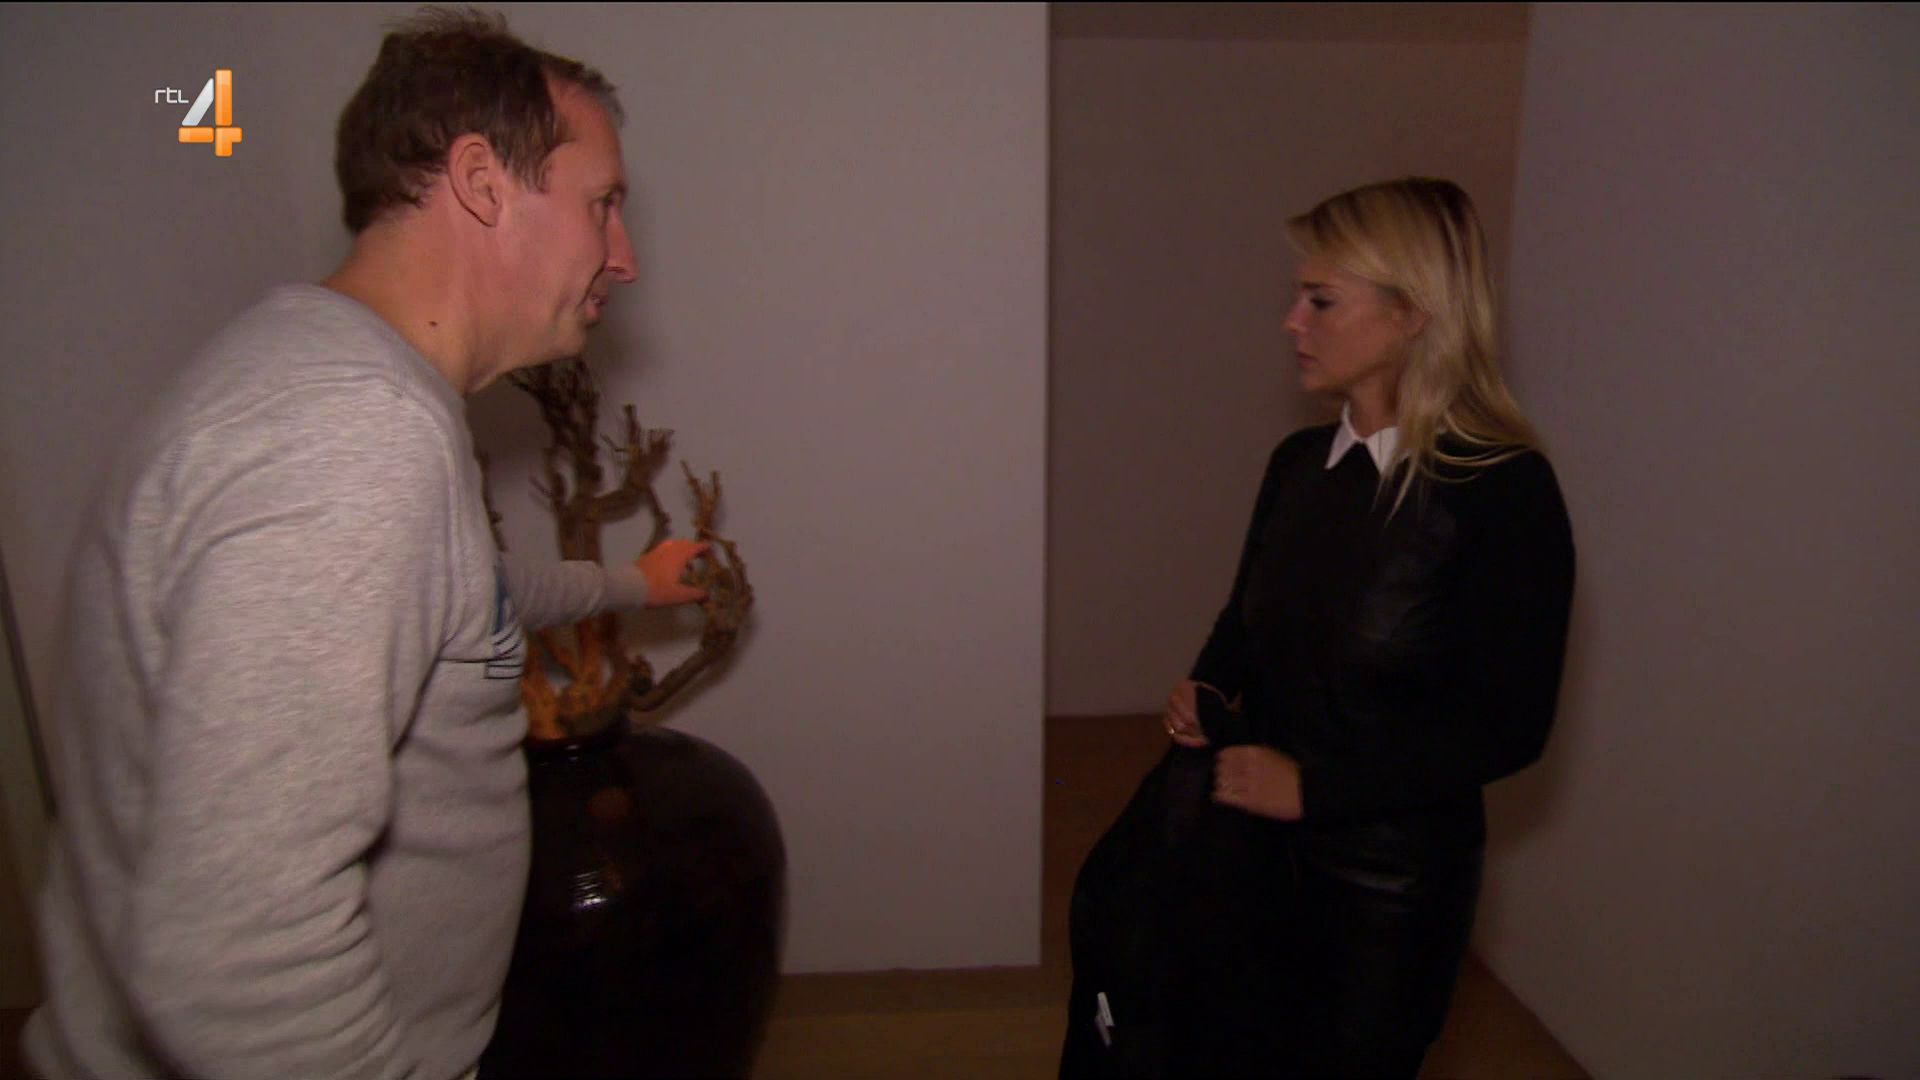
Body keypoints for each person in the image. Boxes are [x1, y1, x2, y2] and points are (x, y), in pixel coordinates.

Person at [23, 11, 708, 1079]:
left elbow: (468, 598)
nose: (622, 259)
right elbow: (238, 959)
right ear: (481, 182)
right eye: (602, 204)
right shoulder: (350, 437)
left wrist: (631, 582)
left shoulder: (339, 386)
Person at [1063, 178, 1575, 1078]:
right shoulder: (1299, 464)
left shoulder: (1503, 491)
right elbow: (1244, 620)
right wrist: (1206, 685)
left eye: (1321, 300)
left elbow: (1510, 725)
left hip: (1386, 894)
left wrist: (1315, 790)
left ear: (1412, 313)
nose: (1291, 321)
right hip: (1247, 858)